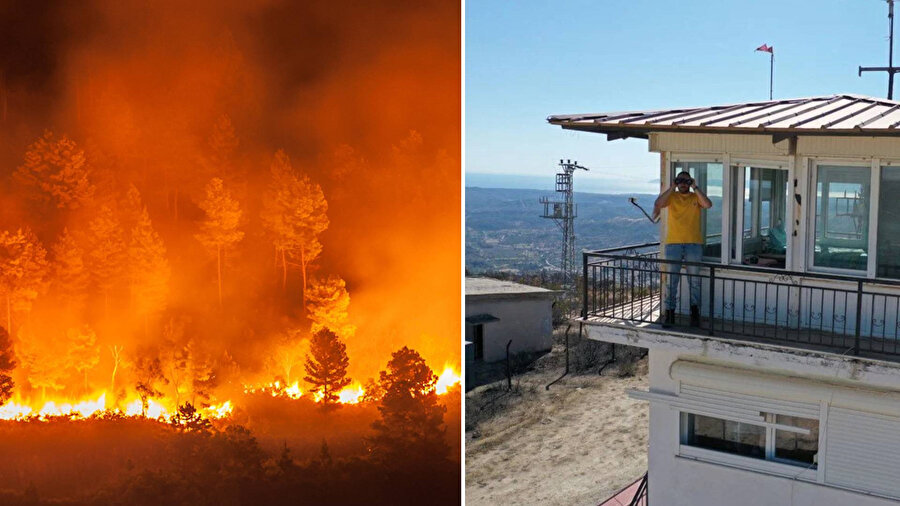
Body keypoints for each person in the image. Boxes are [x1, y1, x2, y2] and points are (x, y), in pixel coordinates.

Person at [653, 171, 712, 327]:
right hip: (673, 244)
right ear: (676, 182)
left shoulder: (695, 198)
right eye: (680, 181)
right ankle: (670, 314)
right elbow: (658, 204)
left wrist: (696, 187)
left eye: (686, 181)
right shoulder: (671, 197)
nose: (683, 184)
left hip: (694, 244)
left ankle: (694, 314)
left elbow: (707, 204)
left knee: (695, 281)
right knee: (671, 280)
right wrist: (671, 187)